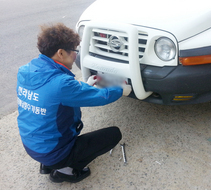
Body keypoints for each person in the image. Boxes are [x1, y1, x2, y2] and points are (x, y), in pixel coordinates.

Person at [16, 23, 131, 183]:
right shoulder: (61, 84)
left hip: (32, 145)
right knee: (113, 134)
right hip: (53, 152)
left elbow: (53, 94)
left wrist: (85, 86)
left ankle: (48, 164)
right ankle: (65, 171)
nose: (76, 55)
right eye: (74, 52)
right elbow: (101, 97)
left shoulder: (25, 71)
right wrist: (121, 90)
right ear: (61, 53)